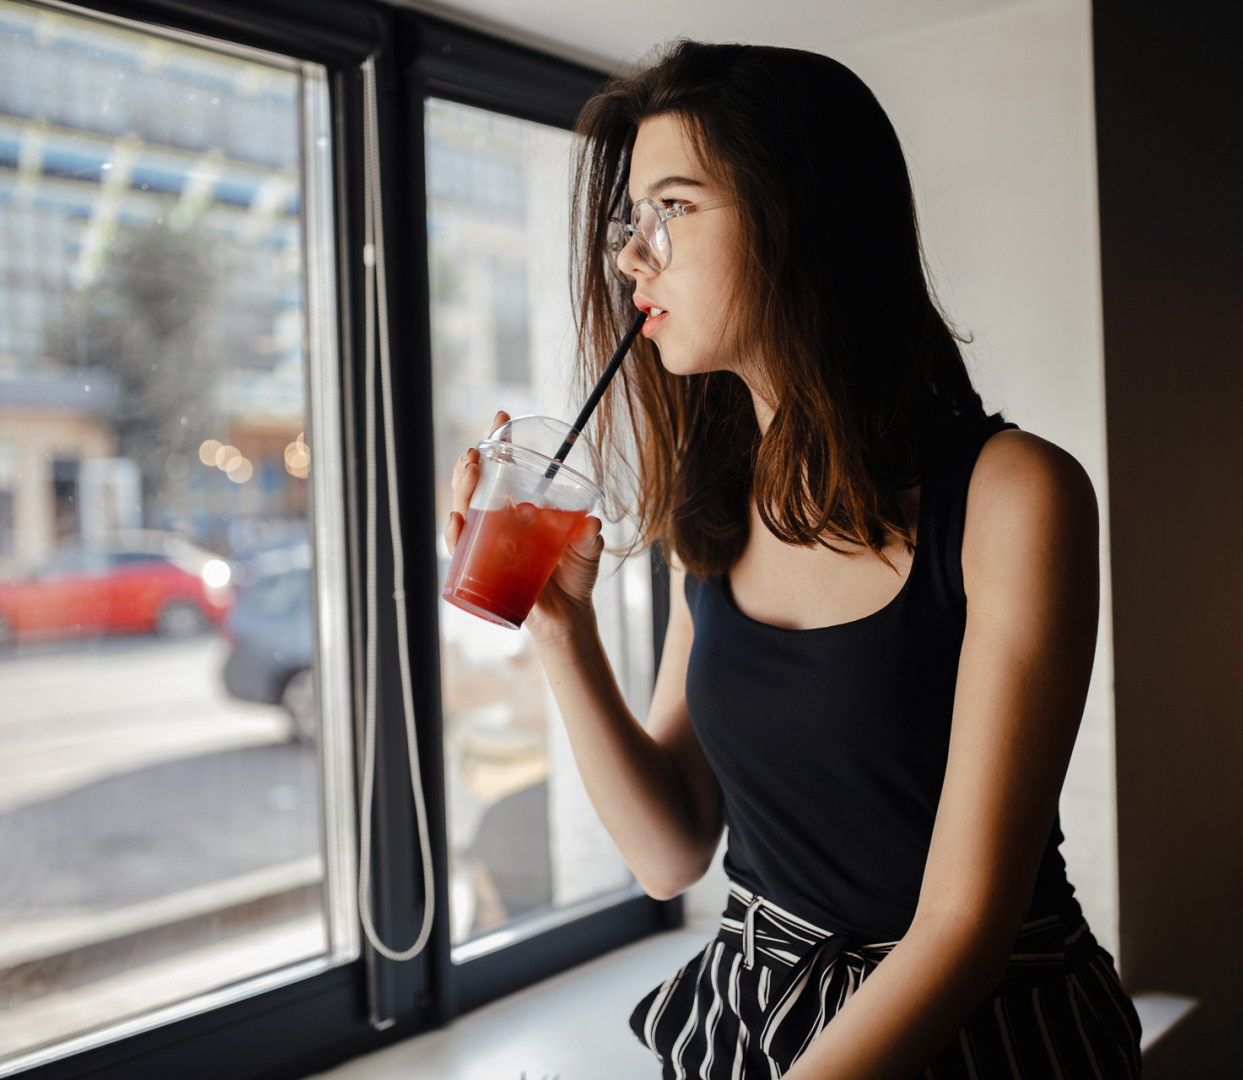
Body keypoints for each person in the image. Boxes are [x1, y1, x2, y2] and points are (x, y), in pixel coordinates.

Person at [446, 40, 1143, 1080]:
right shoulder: (715, 510)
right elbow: (669, 849)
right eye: (630, 223)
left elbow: (960, 924)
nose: (636, 257)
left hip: (988, 1042)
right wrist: (563, 630)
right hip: (760, 1026)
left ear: (799, 218)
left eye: (672, 209)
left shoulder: (1015, 497)